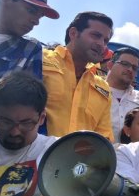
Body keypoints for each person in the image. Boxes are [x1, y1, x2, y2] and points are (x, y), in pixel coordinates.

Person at [0, 0, 59, 146]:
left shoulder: (30, 49)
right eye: (31, 10)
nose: (36, 21)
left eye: (40, 16)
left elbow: (27, 106)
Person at [0, 71, 57, 196]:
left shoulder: (57, 152)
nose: (15, 132)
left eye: (26, 123)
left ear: (42, 118)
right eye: (6, 122)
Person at [42, 12, 114, 141]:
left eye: (105, 40)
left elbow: (103, 138)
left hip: (79, 161)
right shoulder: (40, 59)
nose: (101, 44)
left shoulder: (103, 88)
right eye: (96, 35)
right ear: (73, 33)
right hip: (30, 158)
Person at [106, 47, 139, 142]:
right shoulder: (94, 92)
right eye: (125, 64)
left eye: (134, 68)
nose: (130, 69)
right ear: (110, 65)